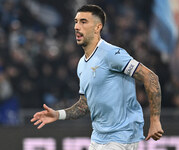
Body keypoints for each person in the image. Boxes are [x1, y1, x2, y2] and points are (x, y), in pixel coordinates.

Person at [31, 4, 164, 150]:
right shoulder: (82, 64)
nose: (76, 26)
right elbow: (84, 106)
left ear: (97, 27)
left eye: (83, 22)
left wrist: (155, 120)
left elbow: (150, 77)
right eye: (76, 21)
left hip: (122, 137)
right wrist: (58, 114)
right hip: (98, 138)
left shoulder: (111, 53)